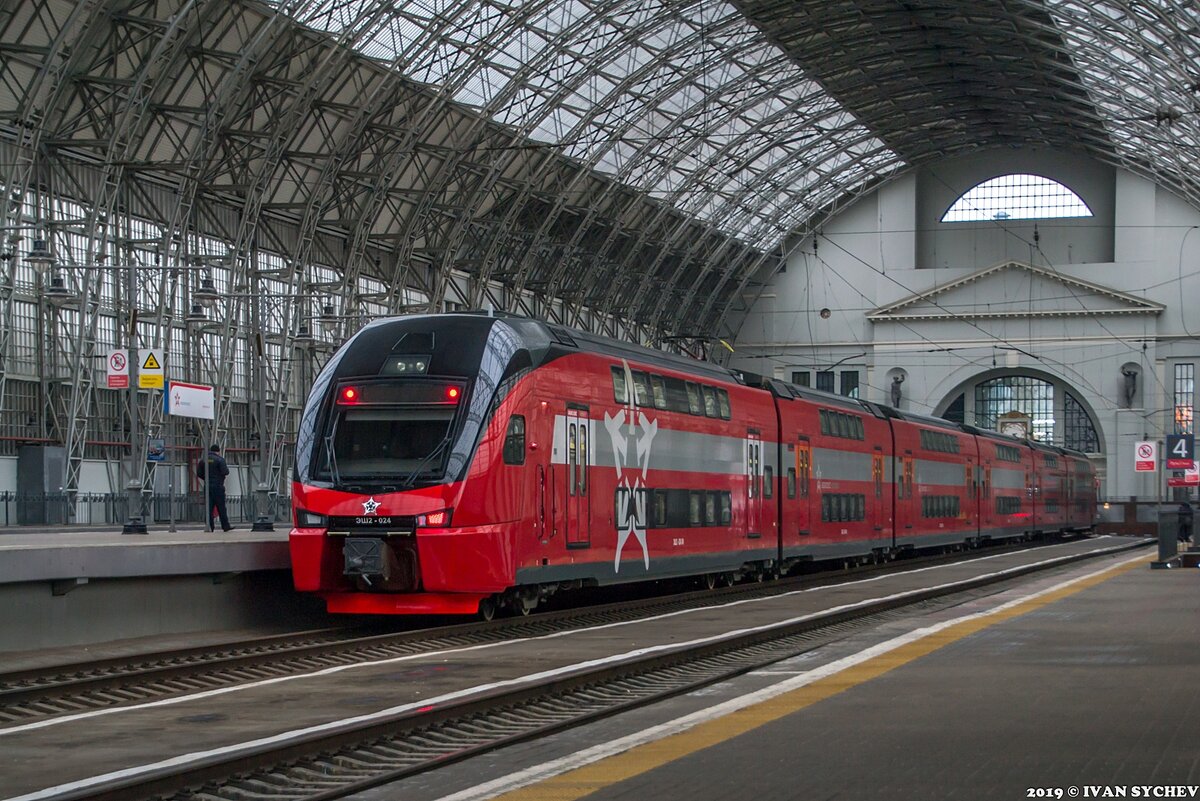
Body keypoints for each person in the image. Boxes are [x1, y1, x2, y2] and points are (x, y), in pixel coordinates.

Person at [196, 443, 233, 532]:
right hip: (218, 486)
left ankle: (209, 526)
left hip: (208, 486)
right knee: (221, 507)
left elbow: (199, 473)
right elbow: (225, 472)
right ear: (218, 451)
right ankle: (225, 526)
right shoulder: (220, 460)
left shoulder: (203, 460)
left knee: (209, 507)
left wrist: (206, 478)